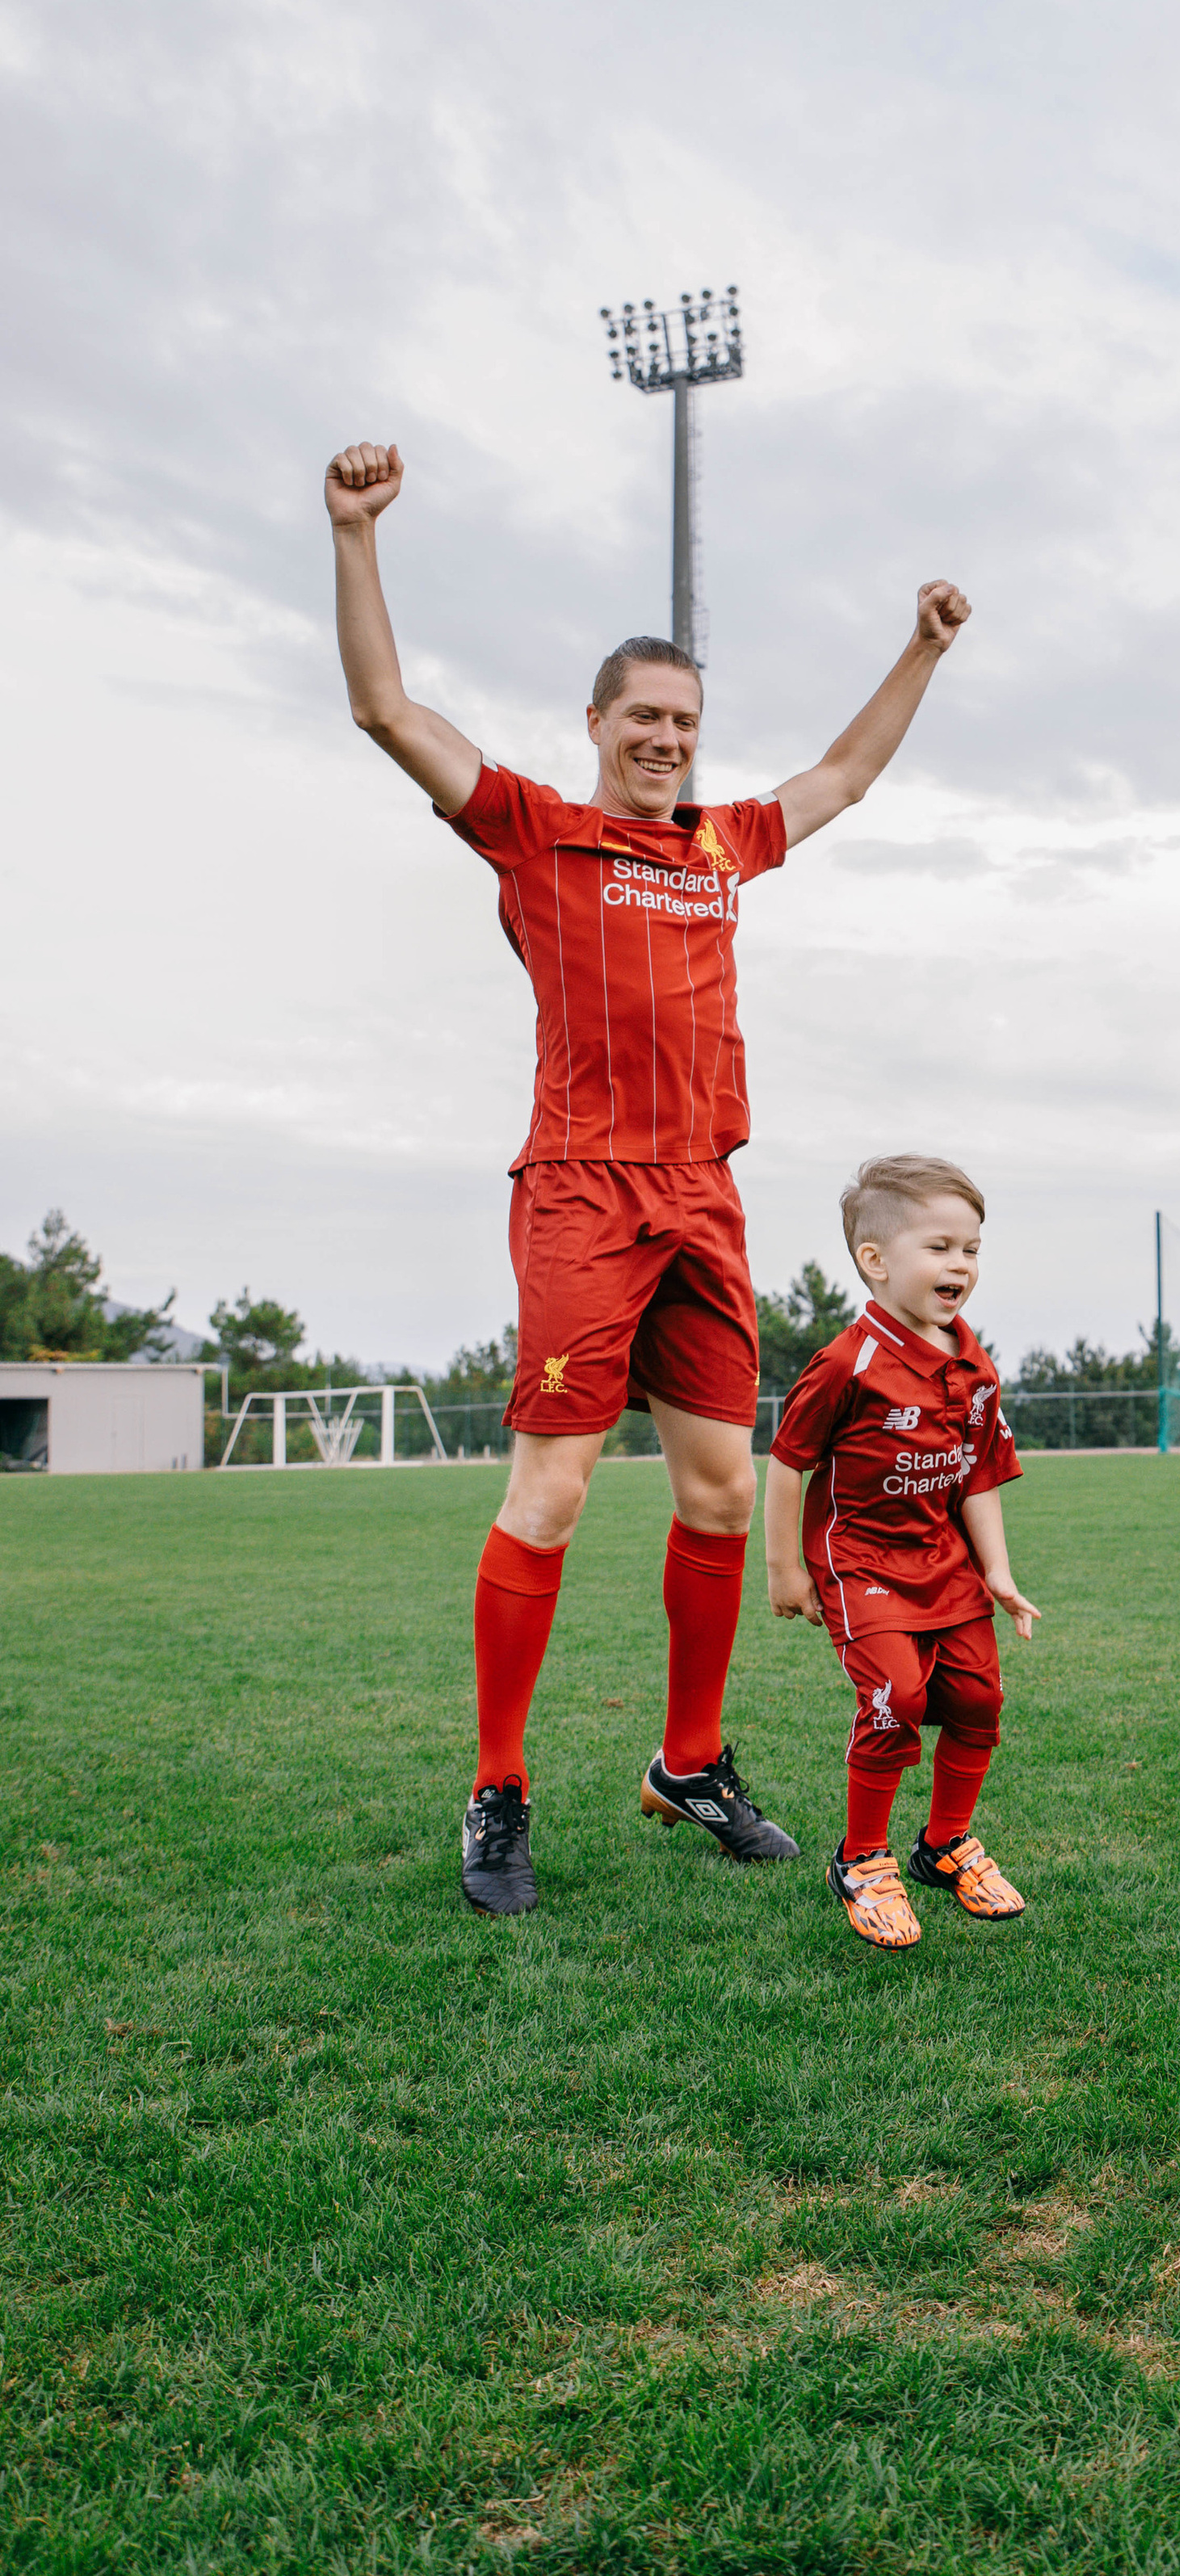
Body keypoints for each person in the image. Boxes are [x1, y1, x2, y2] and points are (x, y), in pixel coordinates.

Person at [324, 439, 972, 1918]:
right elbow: (384, 707)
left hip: (702, 1194)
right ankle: (498, 1789)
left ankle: (691, 1761)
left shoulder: (724, 846)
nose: (668, 738)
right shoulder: (535, 826)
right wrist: (358, 537)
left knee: (725, 1491)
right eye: (645, 716)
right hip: (581, 1190)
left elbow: (849, 773)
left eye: (685, 719)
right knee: (550, 1491)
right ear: (600, 722)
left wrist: (917, 648)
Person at [764, 1155, 1039, 1951]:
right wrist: (785, 1568)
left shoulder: (973, 1362)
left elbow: (978, 1471)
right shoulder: (847, 1362)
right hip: (863, 1565)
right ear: (875, 1262)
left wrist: (997, 1572)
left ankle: (943, 1846)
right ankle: (862, 1861)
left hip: (945, 1566)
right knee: (896, 1700)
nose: (960, 1265)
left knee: (978, 1705)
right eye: (941, 1247)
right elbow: (788, 1462)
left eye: (972, 1249)